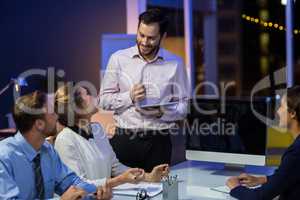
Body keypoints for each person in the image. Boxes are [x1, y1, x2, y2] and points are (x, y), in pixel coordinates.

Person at [99, 8, 190, 172]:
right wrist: (130, 96)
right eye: (141, 35)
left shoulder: (176, 63)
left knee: (158, 193)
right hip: (124, 139)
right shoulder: (118, 59)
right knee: (121, 193)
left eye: (151, 38)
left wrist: (162, 112)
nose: (144, 42)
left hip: (159, 142)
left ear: (163, 37)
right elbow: (103, 101)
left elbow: (184, 107)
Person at [0, 91, 112, 200]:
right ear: (39, 124)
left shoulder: (47, 150)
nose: (57, 117)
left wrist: (97, 192)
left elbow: (71, 182)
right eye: (52, 113)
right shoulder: (4, 157)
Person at [54, 84, 169, 188]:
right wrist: (119, 180)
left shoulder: (97, 129)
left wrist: (148, 177)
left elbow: (115, 166)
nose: (94, 95)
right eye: (87, 94)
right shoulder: (65, 139)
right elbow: (78, 185)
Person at [226, 86, 300, 200]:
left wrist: (235, 187)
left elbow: (259, 197)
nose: (278, 111)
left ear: (293, 113)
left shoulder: (296, 153)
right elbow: (289, 175)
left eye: (281, 106)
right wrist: (261, 179)